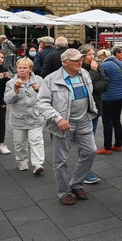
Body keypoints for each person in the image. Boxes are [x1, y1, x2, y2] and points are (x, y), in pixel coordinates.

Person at [36, 48, 97, 205]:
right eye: (76, 60)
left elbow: (90, 93)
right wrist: (57, 118)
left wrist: (92, 109)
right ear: (65, 62)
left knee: (90, 152)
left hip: (84, 120)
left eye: (81, 59)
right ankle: (64, 192)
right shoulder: (51, 79)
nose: (80, 62)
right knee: (61, 160)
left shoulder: (84, 73)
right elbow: (41, 103)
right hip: (63, 124)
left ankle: (76, 183)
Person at [4, 57, 45, 174]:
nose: (21, 70)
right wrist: (15, 89)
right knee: (19, 143)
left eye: (24, 68)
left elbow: (47, 96)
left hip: (35, 117)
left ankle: (38, 164)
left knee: (37, 141)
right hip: (19, 118)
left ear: (30, 69)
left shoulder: (39, 80)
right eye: (19, 68)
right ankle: (22, 161)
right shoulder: (10, 83)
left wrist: (39, 89)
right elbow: (7, 100)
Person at [79, 44, 109, 184]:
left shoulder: (97, 67)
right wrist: (94, 73)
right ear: (83, 56)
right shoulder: (82, 69)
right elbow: (86, 87)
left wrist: (95, 81)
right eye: (89, 54)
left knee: (90, 142)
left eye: (93, 54)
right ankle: (84, 172)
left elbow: (104, 84)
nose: (92, 57)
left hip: (95, 108)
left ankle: (85, 170)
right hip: (83, 110)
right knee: (87, 143)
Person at [97, 49, 122, 154]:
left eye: (99, 57)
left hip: (108, 97)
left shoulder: (103, 66)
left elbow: (102, 81)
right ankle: (118, 145)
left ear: (102, 57)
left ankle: (107, 147)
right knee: (117, 121)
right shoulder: (121, 64)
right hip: (120, 96)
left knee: (107, 122)